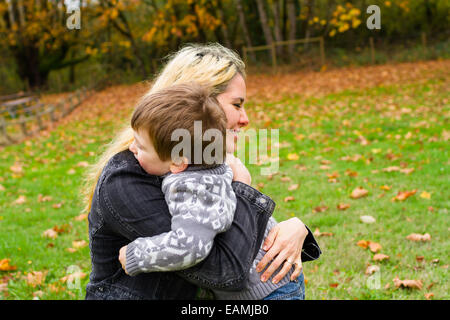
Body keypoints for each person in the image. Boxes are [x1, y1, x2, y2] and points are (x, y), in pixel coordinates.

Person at [83, 43, 321, 300]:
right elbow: (226, 270)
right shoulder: (127, 181)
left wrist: (296, 229)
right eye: (237, 104)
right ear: (200, 106)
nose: (246, 119)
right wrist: (243, 186)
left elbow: (223, 228)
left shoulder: (192, 165)